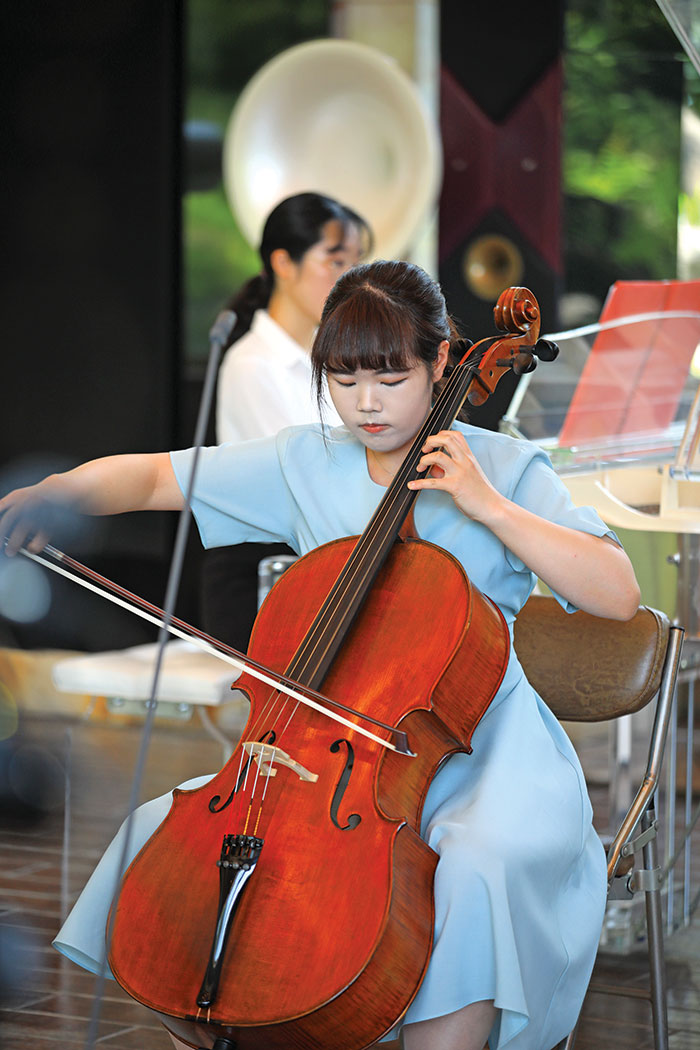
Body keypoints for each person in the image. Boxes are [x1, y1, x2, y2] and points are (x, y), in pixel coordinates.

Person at [0, 260, 640, 1050]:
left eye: (391, 377)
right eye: (343, 378)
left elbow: (616, 592)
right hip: (327, 762)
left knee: (479, 866)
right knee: (157, 838)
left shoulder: (503, 468)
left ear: (443, 363)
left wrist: (490, 507)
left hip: (488, 753)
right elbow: (150, 477)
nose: (366, 403)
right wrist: (47, 495)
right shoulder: (304, 461)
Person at [204, 191, 371, 652]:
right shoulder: (252, 363)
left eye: (357, 263)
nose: (350, 279)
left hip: (327, 571)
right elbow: (311, 475)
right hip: (268, 582)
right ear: (283, 262)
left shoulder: (341, 356)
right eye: (335, 261)